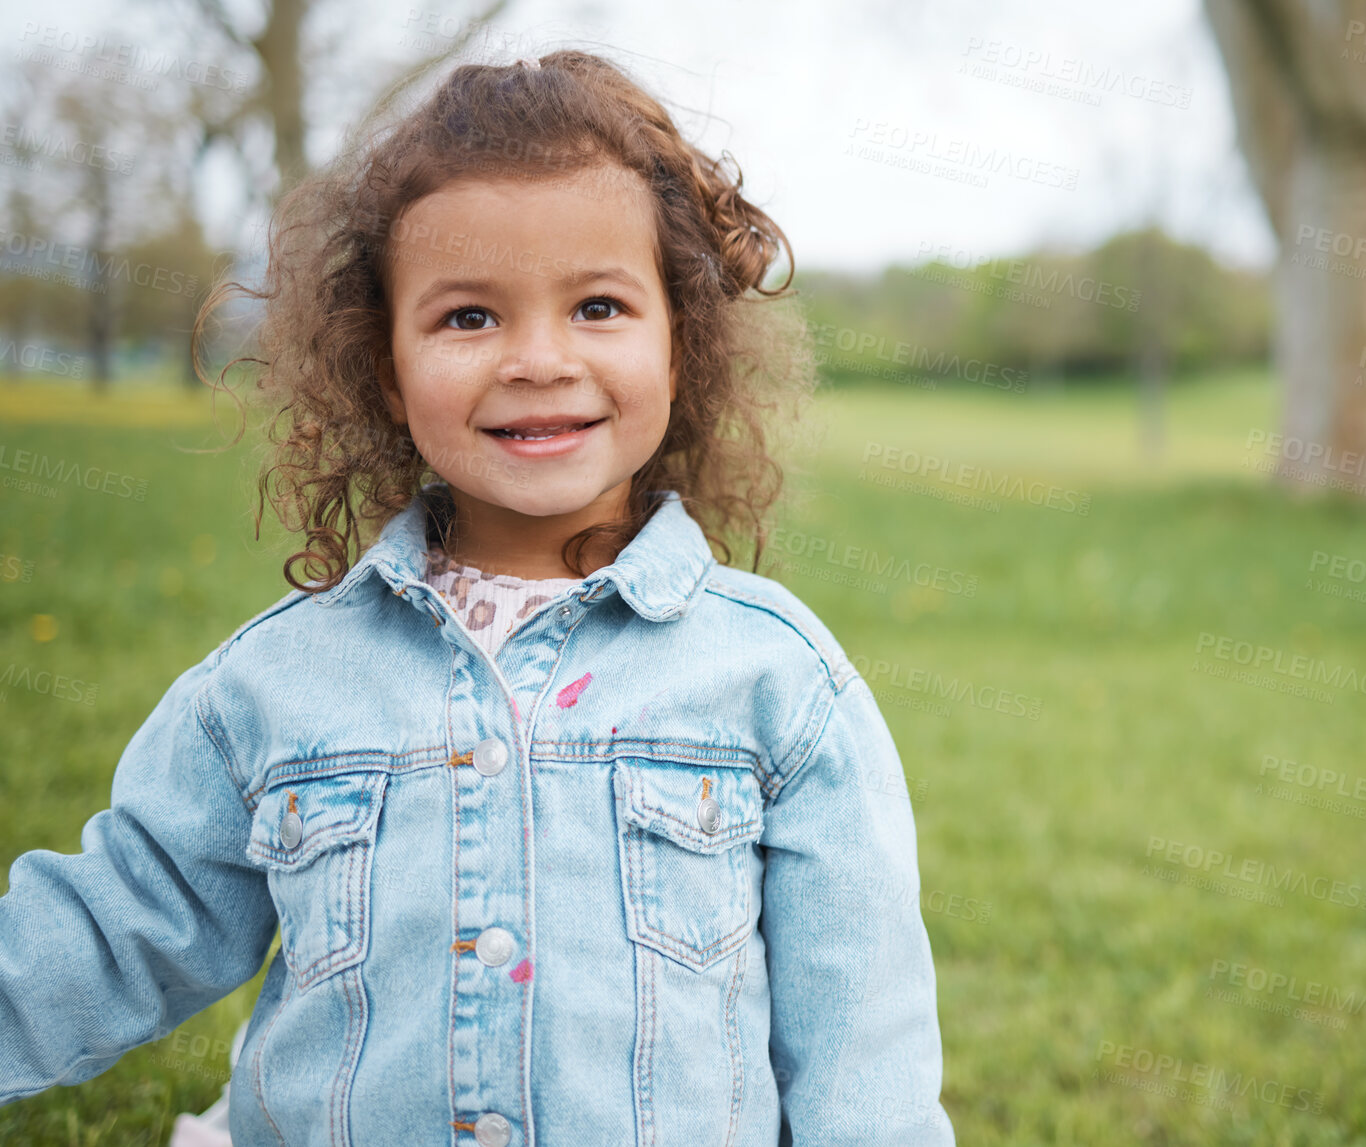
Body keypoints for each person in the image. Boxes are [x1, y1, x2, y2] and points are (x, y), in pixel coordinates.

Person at [0, 48, 954, 1146]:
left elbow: (862, 1053)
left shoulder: (779, 682)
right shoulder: (273, 687)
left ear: (681, 347)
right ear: (386, 368)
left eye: (598, 305)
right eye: (468, 318)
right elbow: (117, 927)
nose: (537, 359)